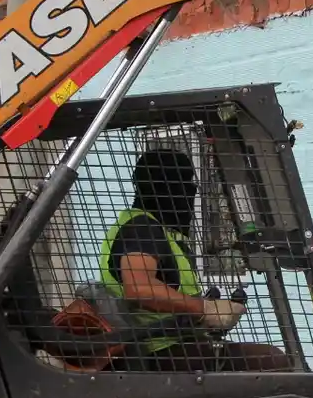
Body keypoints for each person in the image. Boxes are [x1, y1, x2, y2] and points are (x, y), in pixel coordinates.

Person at [100, 147, 296, 372]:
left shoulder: (151, 228)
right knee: (271, 359)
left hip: (171, 343)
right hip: (160, 352)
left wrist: (203, 316)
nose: (192, 189)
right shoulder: (141, 229)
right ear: (164, 186)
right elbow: (139, 290)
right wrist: (204, 309)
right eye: (185, 182)